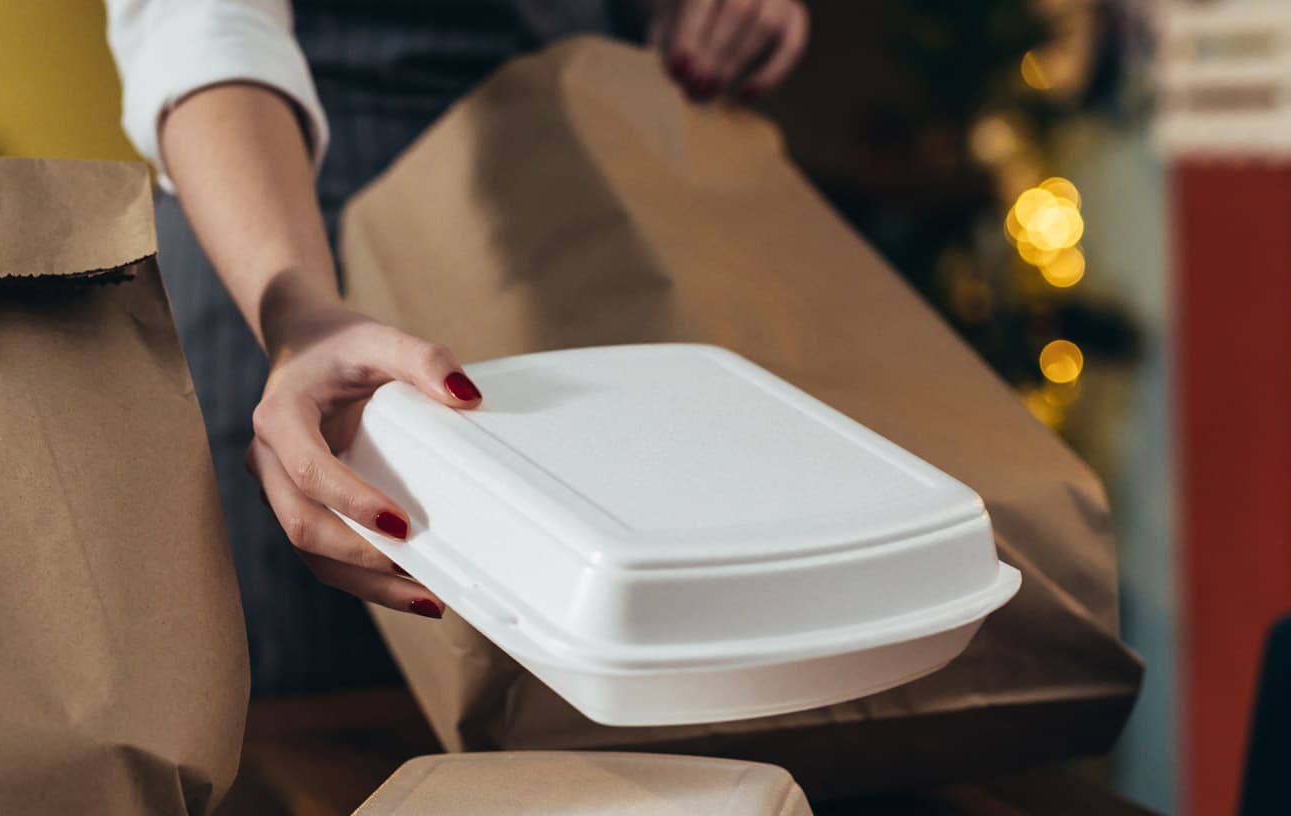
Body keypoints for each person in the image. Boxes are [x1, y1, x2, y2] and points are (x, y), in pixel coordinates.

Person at [106, 0, 808, 696]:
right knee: (315, 728)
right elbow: (204, 25)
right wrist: (305, 317)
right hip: (290, 231)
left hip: (594, 195)